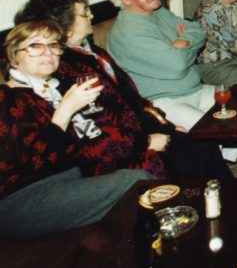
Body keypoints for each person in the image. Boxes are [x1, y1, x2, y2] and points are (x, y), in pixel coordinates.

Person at [16, 0, 231, 180]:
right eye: (85, 13)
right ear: (67, 23)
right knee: (192, 154)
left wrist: (167, 125)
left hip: (141, 130)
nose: (91, 16)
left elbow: (133, 99)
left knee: (201, 143)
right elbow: (96, 125)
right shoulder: (65, 68)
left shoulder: (93, 51)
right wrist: (147, 141)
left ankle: (229, 201)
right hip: (121, 149)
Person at [0, 21, 153, 240]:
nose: (48, 52)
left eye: (53, 45)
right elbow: (39, 163)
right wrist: (66, 109)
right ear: (15, 55)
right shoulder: (7, 98)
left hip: (66, 180)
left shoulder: (51, 90)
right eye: (35, 46)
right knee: (137, 182)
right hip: (20, 199)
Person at [106, 0, 213, 131]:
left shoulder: (157, 12)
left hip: (195, 89)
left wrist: (184, 41)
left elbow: (198, 30)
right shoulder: (129, 33)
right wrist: (188, 48)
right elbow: (177, 65)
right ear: (125, 0)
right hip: (166, 103)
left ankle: (223, 157)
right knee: (214, 130)